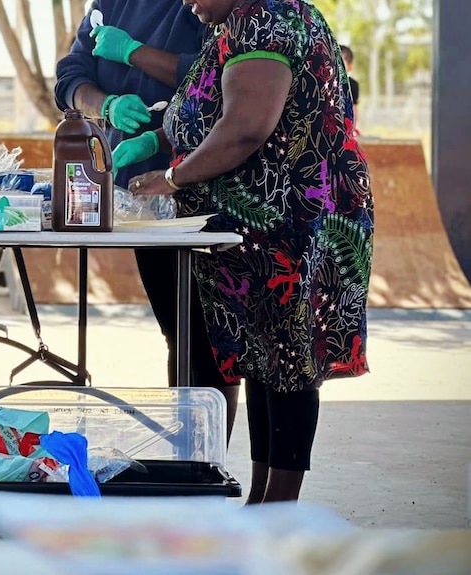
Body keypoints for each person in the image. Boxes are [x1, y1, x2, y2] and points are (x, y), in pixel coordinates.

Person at [115, 0, 373, 503]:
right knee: (261, 357)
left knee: (289, 359)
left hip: (295, 218)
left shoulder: (270, 20)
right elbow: (202, 105)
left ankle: (278, 507)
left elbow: (246, 126)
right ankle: (258, 498)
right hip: (252, 223)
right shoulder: (232, 23)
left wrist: (173, 177)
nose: (187, 2)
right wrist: (154, 138)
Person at [54, 1, 241, 441]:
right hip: (141, 194)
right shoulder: (111, 4)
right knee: (179, 330)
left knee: (211, 340)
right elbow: (71, 74)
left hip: (207, 188)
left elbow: (218, 78)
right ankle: (188, 457)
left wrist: (135, 53)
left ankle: (207, 464)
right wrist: (106, 105)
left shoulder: (210, 7)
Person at [340, 45, 360, 130]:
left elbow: (354, 110)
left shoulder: (352, 85)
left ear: (350, 66)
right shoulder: (324, 84)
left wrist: (352, 129)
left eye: (340, 63)